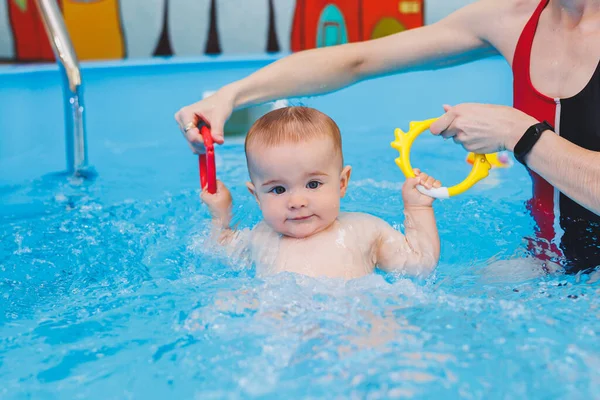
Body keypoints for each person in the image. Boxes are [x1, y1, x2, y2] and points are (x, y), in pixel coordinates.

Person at [176, 0, 600, 273]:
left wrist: (517, 132)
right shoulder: (514, 17)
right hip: (546, 260)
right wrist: (233, 95)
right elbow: (359, 59)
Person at [201, 106, 441, 279]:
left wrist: (418, 208)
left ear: (342, 183)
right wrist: (220, 214)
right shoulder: (259, 237)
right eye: (278, 189)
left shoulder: (365, 230)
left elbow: (420, 265)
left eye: (313, 184)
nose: (296, 201)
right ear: (257, 197)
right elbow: (217, 251)